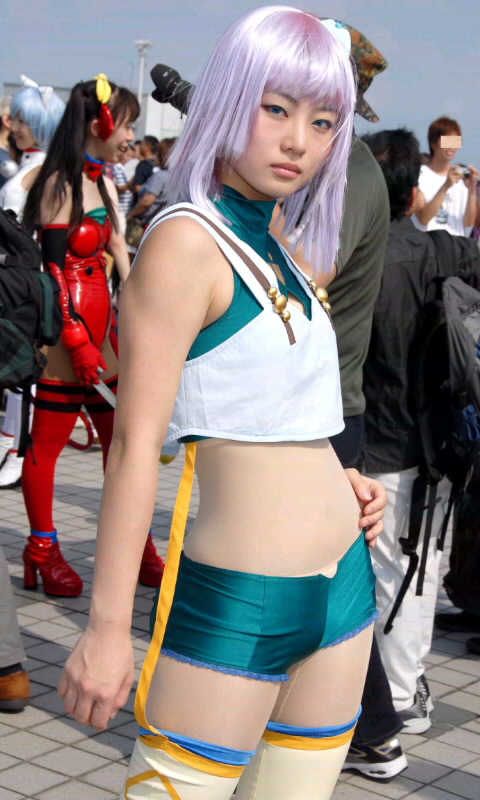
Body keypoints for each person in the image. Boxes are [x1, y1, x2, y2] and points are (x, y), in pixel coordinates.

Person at [59, 10, 387, 799]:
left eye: (322, 121)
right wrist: (107, 629)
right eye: (275, 108)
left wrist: (339, 479)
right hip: (242, 595)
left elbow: (272, 411)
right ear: (231, 98)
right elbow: (133, 445)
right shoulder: (186, 242)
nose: (297, 141)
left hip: (345, 585)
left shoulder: (280, 247)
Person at [20, 75, 164, 598]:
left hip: (103, 330)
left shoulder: (100, 181)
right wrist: (74, 338)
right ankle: (42, 550)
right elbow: (53, 269)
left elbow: (120, 252)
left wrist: (147, 311)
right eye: (124, 123)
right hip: (65, 335)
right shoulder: (58, 183)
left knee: (125, 445)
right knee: (47, 444)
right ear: (100, 123)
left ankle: (137, 545)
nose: (129, 134)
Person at [361, 128, 480, 735]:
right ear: (413, 195)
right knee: (412, 573)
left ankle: (382, 696)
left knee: (370, 577)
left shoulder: (337, 259)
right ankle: (401, 696)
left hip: (353, 446)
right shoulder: (441, 253)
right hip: (425, 449)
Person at [0, 76, 65, 490]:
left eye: (23, 120)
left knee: (23, 366)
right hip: (14, 279)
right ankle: (12, 447)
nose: (15, 125)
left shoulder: (44, 171)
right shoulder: (30, 166)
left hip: (25, 281)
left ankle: (20, 453)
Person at [412, 116, 478, 237]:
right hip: (429, 244)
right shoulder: (419, 176)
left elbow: (468, 223)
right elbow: (424, 218)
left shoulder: (462, 179)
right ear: (433, 144)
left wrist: (472, 191)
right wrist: (445, 186)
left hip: (457, 245)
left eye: (455, 141)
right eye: (446, 141)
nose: (451, 147)